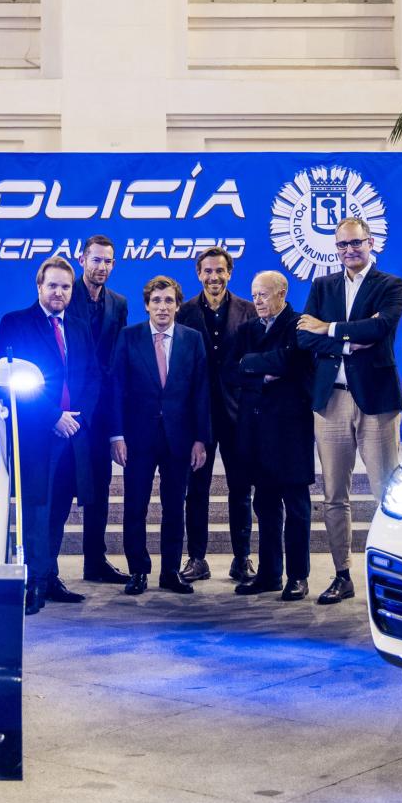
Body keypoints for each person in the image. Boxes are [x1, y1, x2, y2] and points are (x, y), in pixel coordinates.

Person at [296, 218, 402, 605]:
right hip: (331, 401)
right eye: (341, 245)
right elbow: (302, 336)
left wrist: (328, 329)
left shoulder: (391, 285)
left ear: (370, 241)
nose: (349, 251)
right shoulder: (322, 285)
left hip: (376, 401)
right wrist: (347, 337)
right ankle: (342, 574)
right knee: (333, 496)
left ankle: (393, 577)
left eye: (355, 243)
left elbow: (379, 332)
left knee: (386, 494)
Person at [0, 256, 100, 615]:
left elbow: (92, 377)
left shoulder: (81, 326)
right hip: (36, 434)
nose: (59, 292)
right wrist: (53, 416)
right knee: (36, 511)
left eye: (66, 286)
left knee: (59, 510)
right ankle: (32, 584)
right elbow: (11, 382)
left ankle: (50, 576)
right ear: (39, 286)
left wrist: (76, 419)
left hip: (75, 435)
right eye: (52, 285)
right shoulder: (15, 323)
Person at [108, 276, 211, 596]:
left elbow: (201, 391)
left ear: (178, 305)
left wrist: (200, 439)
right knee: (135, 506)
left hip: (179, 439)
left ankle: (170, 572)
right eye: (156, 301)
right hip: (137, 439)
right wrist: (116, 436)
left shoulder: (192, 339)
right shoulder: (129, 337)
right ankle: (138, 571)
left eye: (168, 301)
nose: (162, 307)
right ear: (147, 305)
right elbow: (116, 390)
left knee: (174, 507)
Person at [226, 271, 316, 600]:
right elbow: (230, 370)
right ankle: (269, 574)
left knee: (296, 507)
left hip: (290, 431)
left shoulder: (299, 324)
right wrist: (259, 375)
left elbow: (290, 362)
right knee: (264, 505)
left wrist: (251, 363)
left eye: (263, 294)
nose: (258, 301)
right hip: (256, 432)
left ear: (282, 293)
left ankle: (298, 576)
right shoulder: (248, 328)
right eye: (254, 295)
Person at [174, 246, 257, 584]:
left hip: (237, 415)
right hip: (199, 416)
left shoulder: (249, 310)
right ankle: (197, 559)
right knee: (196, 489)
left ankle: (242, 559)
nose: (214, 277)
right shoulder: (184, 312)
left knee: (241, 489)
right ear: (198, 274)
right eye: (207, 271)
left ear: (229, 273)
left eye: (219, 271)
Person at [64, 235, 129, 585]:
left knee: (100, 489)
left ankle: (95, 561)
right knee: (61, 489)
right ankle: (47, 571)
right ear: (82, 259)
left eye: (107, 262)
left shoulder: (118, 303)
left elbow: (115, 364)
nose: (101, 267)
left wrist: (116, 424)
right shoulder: (63, 293)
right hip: (68, 411)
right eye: (95, 260)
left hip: (102, 411)